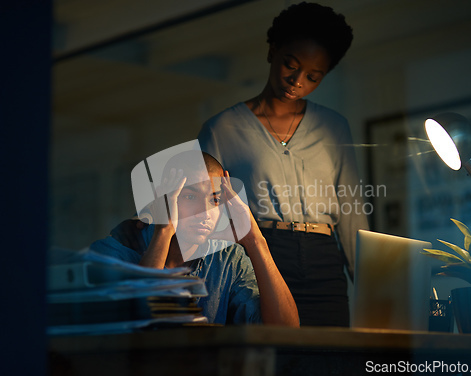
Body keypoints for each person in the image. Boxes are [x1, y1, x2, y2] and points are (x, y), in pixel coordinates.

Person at [197, 2, 369, 326]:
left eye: (313, 77)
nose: (296, 80)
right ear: (272, 51)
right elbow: (206, 212)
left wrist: (376, 290)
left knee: (330, 358)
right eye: (290, 64)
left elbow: (351, 214)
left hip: (324, 262)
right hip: (260, 258)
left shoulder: (334, 127)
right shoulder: (221, 129)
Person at [91, 151, 299, 327]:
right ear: (161, 198)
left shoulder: (228, 258)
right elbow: (140, 325)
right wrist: (164, 230)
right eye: (190, 197)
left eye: (215, 199)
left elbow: (286, 330)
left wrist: (255, 242)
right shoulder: (118, 248)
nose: (205, 212)